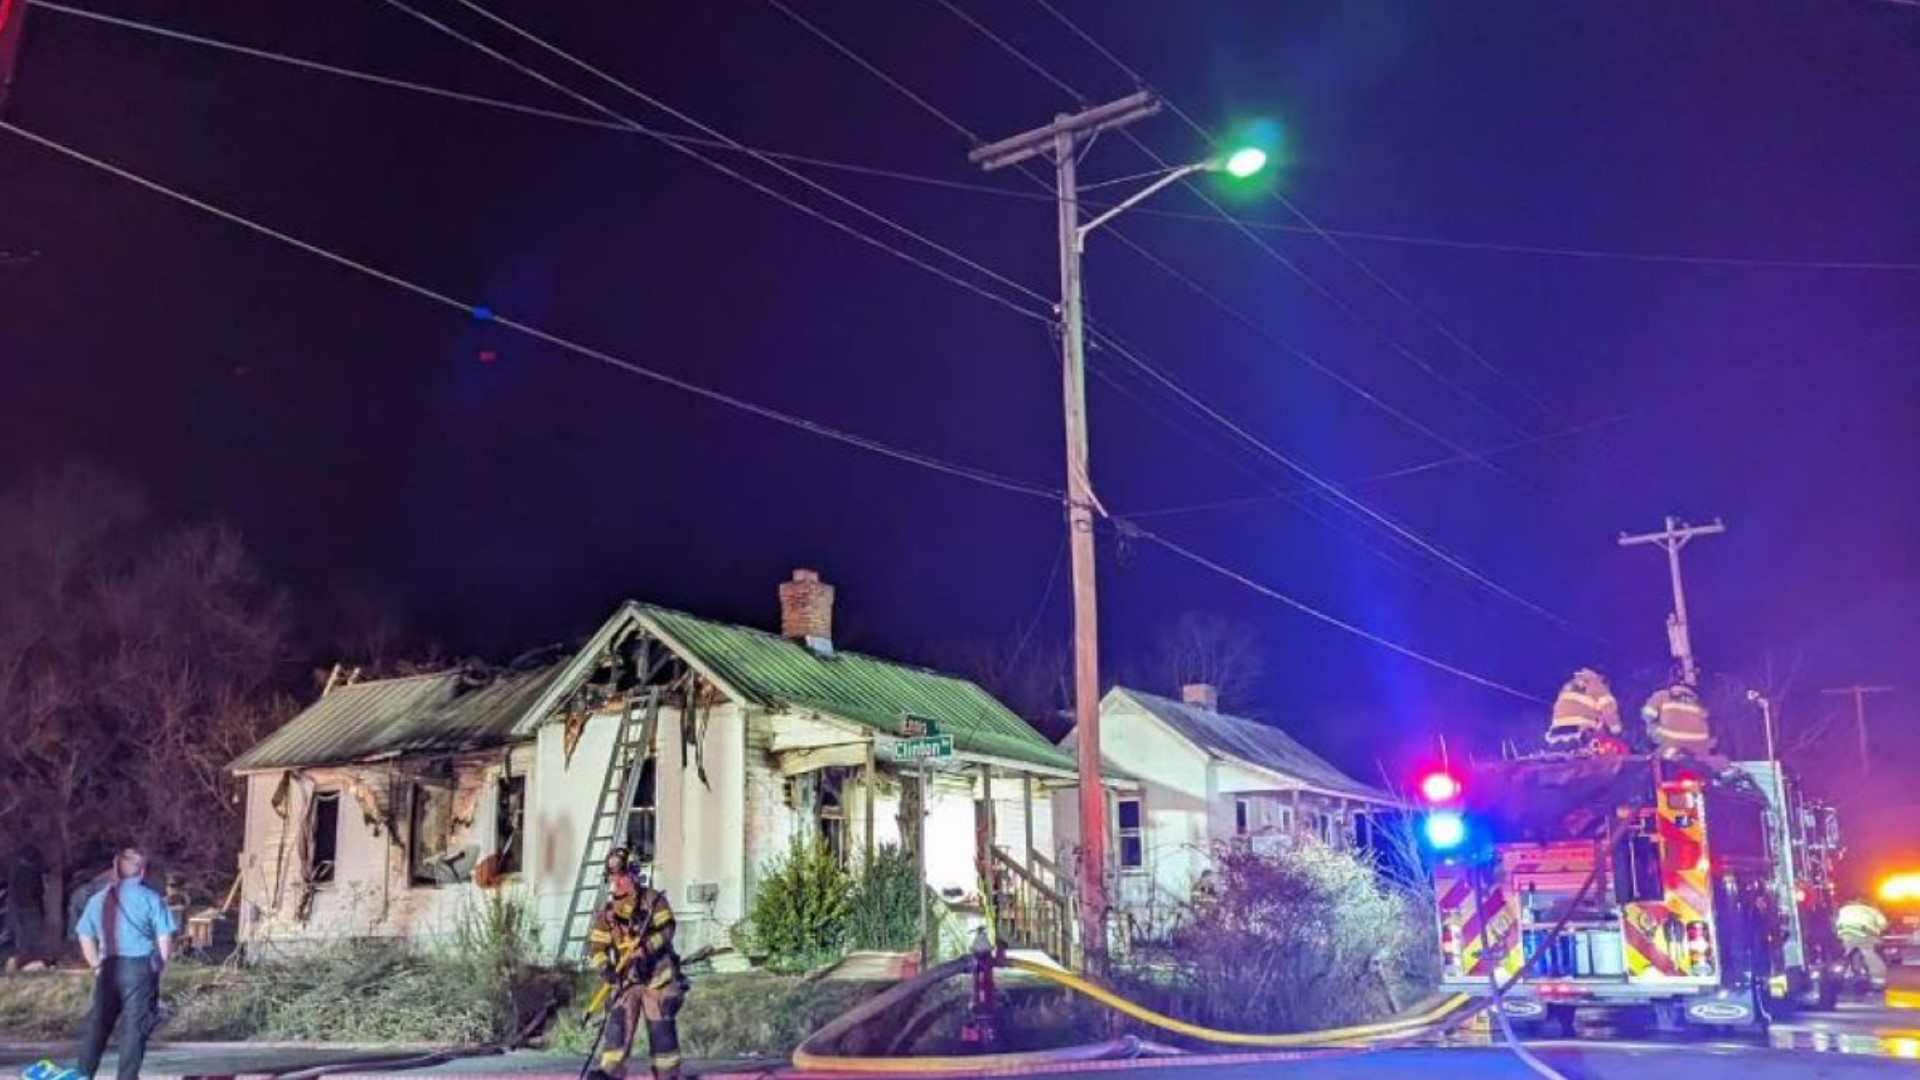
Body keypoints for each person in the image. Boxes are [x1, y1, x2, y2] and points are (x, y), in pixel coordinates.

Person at [71, 846, 176, 1080]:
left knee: (99, 1024)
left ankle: (82, 1074)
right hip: (140, 968)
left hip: (108, 967)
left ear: (115, 870)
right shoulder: (151, 899)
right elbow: (164, 937)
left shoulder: (98, 900)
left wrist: (96, 964)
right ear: (142, 872)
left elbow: (84, 934)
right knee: (134, 1028)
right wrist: (160, 964)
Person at [585, 847, 686, 1080]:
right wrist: (605, 969)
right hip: (626, 980)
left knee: (661, 1031)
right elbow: (597, 945)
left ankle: (667, 1074)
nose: (617, 882)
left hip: (657, 979)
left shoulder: (653, 900)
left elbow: (668, 929)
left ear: (633, 874)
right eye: (613, 876)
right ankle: (610, 1073)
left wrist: (647, 947)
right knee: (617, 1026)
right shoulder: (607, 913)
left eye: (621, 876)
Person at [1546, 668, 1624, 750]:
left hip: (1556, 731)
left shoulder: (1569, 685)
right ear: (1602, 678)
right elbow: (1608, 708)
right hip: (1581, 731)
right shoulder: (1598, 685)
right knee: (1596, 749)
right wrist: (1615, 728)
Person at [1641, 680, 1713, 758]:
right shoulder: (1699, 701)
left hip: (1670, 753)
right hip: (1699, 754)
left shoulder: (1662, 696)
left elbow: (1647, 715)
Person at [1836, 897, 1890, 990]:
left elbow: (1835, 922)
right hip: (1864, 931)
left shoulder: (1843, 909)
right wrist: (1880, 932)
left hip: (1845, 932)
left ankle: (1839, 975)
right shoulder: (1872, 910)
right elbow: (1883, 924)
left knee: (1844, 953)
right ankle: (1878, 980)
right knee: (1869, 953)